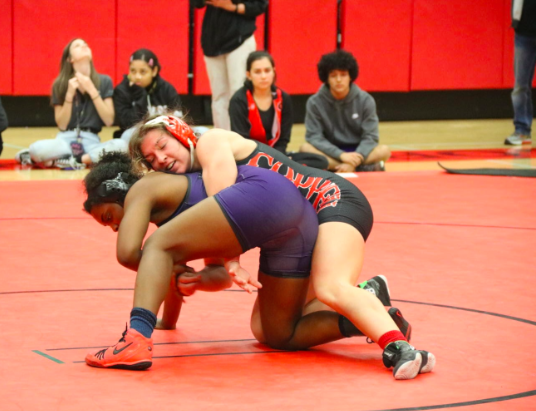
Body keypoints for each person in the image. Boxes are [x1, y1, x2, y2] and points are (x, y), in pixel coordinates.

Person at [129, 115, 436, 380]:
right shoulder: (197, 184)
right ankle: (369, 296)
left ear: (180, 132)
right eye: (152, 159)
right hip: (300, 230)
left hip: (329, 199)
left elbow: (225, 202)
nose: (160, 159)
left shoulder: (211, 142)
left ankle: (401, 349)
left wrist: (232, 259)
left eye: (161, 146)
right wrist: (195, 282)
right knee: (270, 330)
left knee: (331, 287)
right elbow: (219, 273)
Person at [15, 38, 124, 169]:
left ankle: (75, 160)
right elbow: (62, 124)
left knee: (121, 146)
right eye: (77, 46)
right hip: (65, 141)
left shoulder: (104, 81)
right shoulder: (60, 84)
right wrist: (69, 95)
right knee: (36, 149)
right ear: (70, 59)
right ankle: (74, 159)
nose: (83, 46)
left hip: (92, 142)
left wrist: (92, 90)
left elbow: (108, 120)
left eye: (85, 44)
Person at [229, 50, 328, 169]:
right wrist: (265, 159)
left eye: (267, 70)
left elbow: (284, 139)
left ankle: (282, 167)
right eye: (257, 72)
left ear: (274, 72)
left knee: (321, 161)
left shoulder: (283, 98)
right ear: (249, 75)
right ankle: (284, 169)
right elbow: (241, 139)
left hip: (276, 155)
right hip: (250, 158)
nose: (263, 76)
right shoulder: (239, 100)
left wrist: (277, 158)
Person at [299, 50, 391, 172]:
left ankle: (342, 167)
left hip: (358, 152)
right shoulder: (314, 102)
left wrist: (356, 158)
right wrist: (341, 155)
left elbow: (371, 137)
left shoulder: (365, 100)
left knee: (384, 150)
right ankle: (360, 167)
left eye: (343, 75)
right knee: (305, 149)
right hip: (330, 152)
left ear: (350, 76)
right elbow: (314, 137)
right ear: (326, 78)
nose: (338, 80)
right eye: (333, 75)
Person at [193, 0, 268, 130]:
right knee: (219, 96)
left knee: (239, 92)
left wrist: (233, 7)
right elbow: (196, 3)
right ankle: (222, 139)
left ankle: (241, 138)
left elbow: (260, 5)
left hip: (239, 39)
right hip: (213, 41)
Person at [113, 49, 207, 144]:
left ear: (154, 71)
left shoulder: (167, 89)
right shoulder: (122, 90)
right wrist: (141, 95)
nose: (137, 76)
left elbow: (179, 119)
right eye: (133, 71)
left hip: (166, 134)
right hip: (139, 135)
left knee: (203, 131)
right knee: (126, 136)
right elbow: (126, 124)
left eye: (143, 72)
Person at [505, 0, 536, 145]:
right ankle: (522, 130)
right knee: (521, 85)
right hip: (524, 34)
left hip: (524, 34)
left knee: (521, 86)